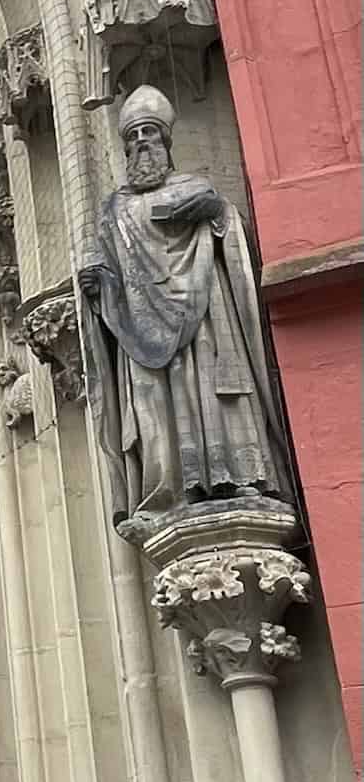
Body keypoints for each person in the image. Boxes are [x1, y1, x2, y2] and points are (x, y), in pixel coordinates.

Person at [78, 85, 291, 527]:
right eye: (132, 136)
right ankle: (168, 494)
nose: (140, 144)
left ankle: (240, 481)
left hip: (207, 319)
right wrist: (97, 285)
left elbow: (231, 239)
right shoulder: (114, 209)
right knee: (162, 404)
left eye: (149, 134)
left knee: (215, 390)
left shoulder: (197, 189)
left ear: (166, 142)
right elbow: (106, 265)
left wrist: (217, 213)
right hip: (141, 330)